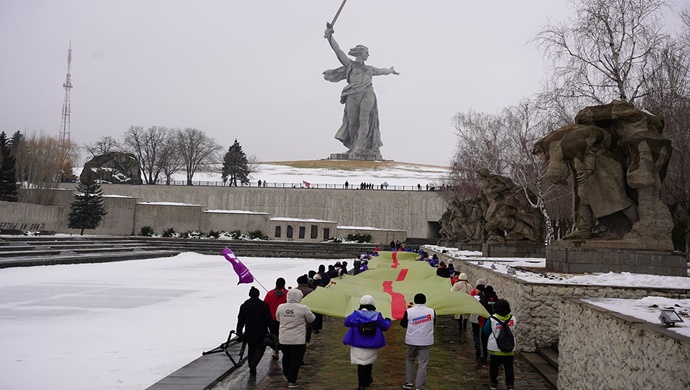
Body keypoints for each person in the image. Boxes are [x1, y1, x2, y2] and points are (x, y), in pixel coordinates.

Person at [343, 295, 392, 390]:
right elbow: (385, 327)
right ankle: (367, 379)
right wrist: (388, 320)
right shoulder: (377, 316)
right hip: (372, 343)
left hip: (357, 343)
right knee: (369, 361)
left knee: (361, 364)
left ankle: (361, 385)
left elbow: (346, 322)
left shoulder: (356, 315)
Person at [276, 289, 316, 389]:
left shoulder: (281, 307)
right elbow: (311, 319)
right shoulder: (303, 308)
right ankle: (292, 381)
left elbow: (278, 318)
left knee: (286, 357)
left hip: (284, 338)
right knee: (295, 360)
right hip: (298, 339)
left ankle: (286, 374)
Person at [401, 293, 435, 390]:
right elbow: (433, 323)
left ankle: (409, 383)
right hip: (426, 341)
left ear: (415, 301)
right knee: (423, 363)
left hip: (411, 340)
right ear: (425, 301)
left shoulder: (409, 311)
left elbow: (403, 324)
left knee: (410, 360)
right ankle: (419, 387)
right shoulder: (431, 311)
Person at [236, 286, 272, 377]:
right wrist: (273, 331)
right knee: (261, 348)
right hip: (261, 331)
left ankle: (251, 364)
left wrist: (239, 332)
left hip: (249, 331)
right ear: (258, 295)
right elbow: (269, 320)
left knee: (251, 349)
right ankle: (254, 363)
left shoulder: (244, 306)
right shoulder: (264, 305)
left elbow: (240, 320)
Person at [483, 299, 517, 390]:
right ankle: (510, 384)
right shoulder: (513, 318)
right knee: (509, 367)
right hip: (510, 347)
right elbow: (514, 330)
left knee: (494, 367)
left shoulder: (492, 319)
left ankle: (493, 383)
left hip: (495, 348)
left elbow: (486, 331)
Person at [264, 277, 288, 358]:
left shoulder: (270, 294)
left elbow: (265, 306)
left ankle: (275, 350)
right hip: (284, 318)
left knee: (274, 335)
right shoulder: (288, 294)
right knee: (283, 335)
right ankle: (285, 350)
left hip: (272, 319)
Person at [478, 285, 498, 366]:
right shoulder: (497, 299)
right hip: (496, 322)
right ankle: (495, 355)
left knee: (484, 339)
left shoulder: (483, 300)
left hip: (486, 321)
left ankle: (485, 356)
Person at [470, 278, 488, 366]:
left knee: (476, 334)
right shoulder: (486, 297)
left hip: (475, 318)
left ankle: (478, 347)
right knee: (482, 335)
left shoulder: (475, 297)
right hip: (483, 319)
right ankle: (482, 350)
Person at [295, 274, 315, 344]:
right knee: (308, 327)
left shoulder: (294, 291)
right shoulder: (312, 291)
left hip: (295, 313)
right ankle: (307, 341)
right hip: (308, 311)